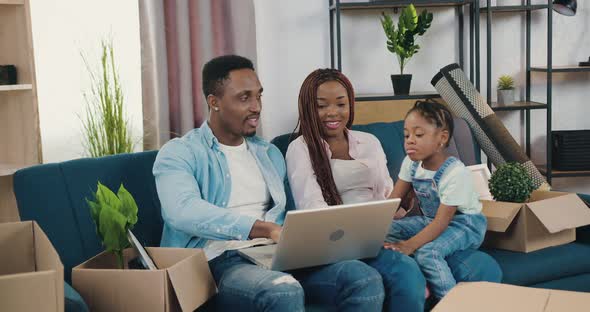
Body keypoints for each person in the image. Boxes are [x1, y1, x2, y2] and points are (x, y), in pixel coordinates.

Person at [153, 55, 385, 312]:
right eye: (244, 98)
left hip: (278, 253)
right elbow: (182, 210)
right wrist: (263, 228)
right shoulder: (180, 152)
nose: (256, 107)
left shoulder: (269, 154)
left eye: (258, 96)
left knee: (364, 279)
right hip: (220, 260)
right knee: (283, 289)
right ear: (214, 102)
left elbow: (296, 212)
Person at [286, 68, 426, 312]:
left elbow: (386, 195)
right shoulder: (301, 148)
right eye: (321, 106)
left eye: (341, 104)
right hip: (335, 241)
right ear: (308, 108)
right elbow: (312, 208)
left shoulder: (369, 141)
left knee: (411, 264)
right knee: (403, 269)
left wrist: (406, 200)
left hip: (379, 230)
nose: (333, 112)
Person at [385, 100, 488, 300]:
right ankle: (419, 278)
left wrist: (409, 245)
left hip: (464, 225)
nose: (409, 141)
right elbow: (394, 199)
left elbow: (443, 222)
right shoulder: (411, 163)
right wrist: (374, 225)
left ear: (442, 138)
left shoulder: (455, 173)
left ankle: (451, 303)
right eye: (406, 135)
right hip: (431, 220)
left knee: (428, 253)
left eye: (419, 134)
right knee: (387, 230)